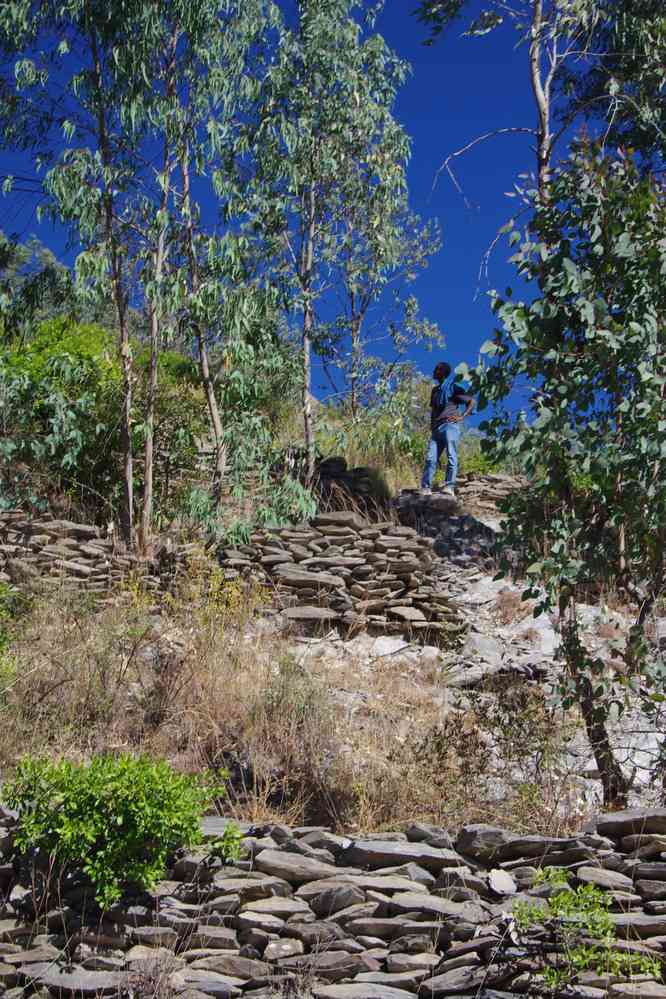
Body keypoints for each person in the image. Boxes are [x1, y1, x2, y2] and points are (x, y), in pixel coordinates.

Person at [421, 361, 474, 497]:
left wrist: (461, 416)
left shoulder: (452, 387)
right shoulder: (435, 391)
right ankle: (426, 487)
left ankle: (449, 486)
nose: (434, 372)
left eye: (436, 370)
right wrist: (432, 426)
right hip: (436, 428)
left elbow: (471, 401)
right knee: (430, 458)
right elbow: (434, 410)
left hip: (450, 426)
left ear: (443, 372)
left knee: (451, 455)